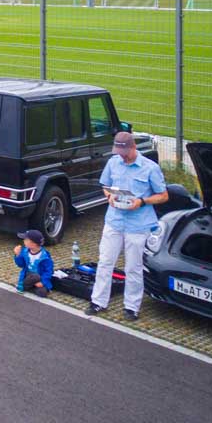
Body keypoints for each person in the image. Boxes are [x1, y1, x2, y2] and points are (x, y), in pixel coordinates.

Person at [87, 131, 168, 320]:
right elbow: (105, 185)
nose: (121, 156)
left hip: (138, 225)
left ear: (133, 147)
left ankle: (131, 307)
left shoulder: (150, 168)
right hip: (114, 221)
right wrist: (109, 197)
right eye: (118, 152)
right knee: (105, 261)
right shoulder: (113, 162)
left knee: (133, 266)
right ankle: (98, 301)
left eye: (124, 152)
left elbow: (163, 195)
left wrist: (142, 201)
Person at [13, 229, 54, 296]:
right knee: (35, 276)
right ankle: (23, 285)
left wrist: (43, 282)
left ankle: (28, 286)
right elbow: (21, 264)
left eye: (26, 240)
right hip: (28, 275)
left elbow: (49, 271)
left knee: (42, 292)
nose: (23, 241)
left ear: (33, 244)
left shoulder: (45, 256)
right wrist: (17, 255)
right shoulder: (25, 251)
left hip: (40, 277)